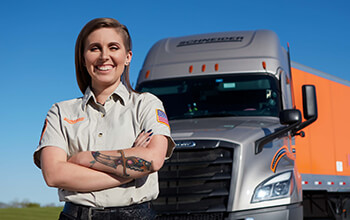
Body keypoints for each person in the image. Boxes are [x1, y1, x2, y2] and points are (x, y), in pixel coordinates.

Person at [33, 17, 175, 220]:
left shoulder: (147, 104)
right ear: (83, 58)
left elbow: (152, 160)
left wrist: (83, 158)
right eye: (95, 48)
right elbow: (53, 174)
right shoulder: (60, 112)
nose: (104, 56)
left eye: (113, 47)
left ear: (128, 57)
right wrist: (131, 170)